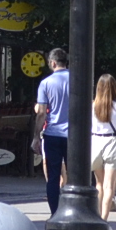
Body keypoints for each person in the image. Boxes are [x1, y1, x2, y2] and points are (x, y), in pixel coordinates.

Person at [34, 48, 72, 215]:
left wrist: (36, 136)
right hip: (74, 136)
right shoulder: (77, 80)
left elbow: (41, 112)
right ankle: (74, 209)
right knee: (76, 176)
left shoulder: (46, 83)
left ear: (53, 62)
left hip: (52, 134)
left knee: (53, 176)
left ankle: (55, 213)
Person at [88, 74, 116, 219]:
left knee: (99, 183)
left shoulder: (92, 105)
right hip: (112, 142)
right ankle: (104, 217)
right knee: (109, 184)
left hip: (96, 142)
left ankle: (97, 215)